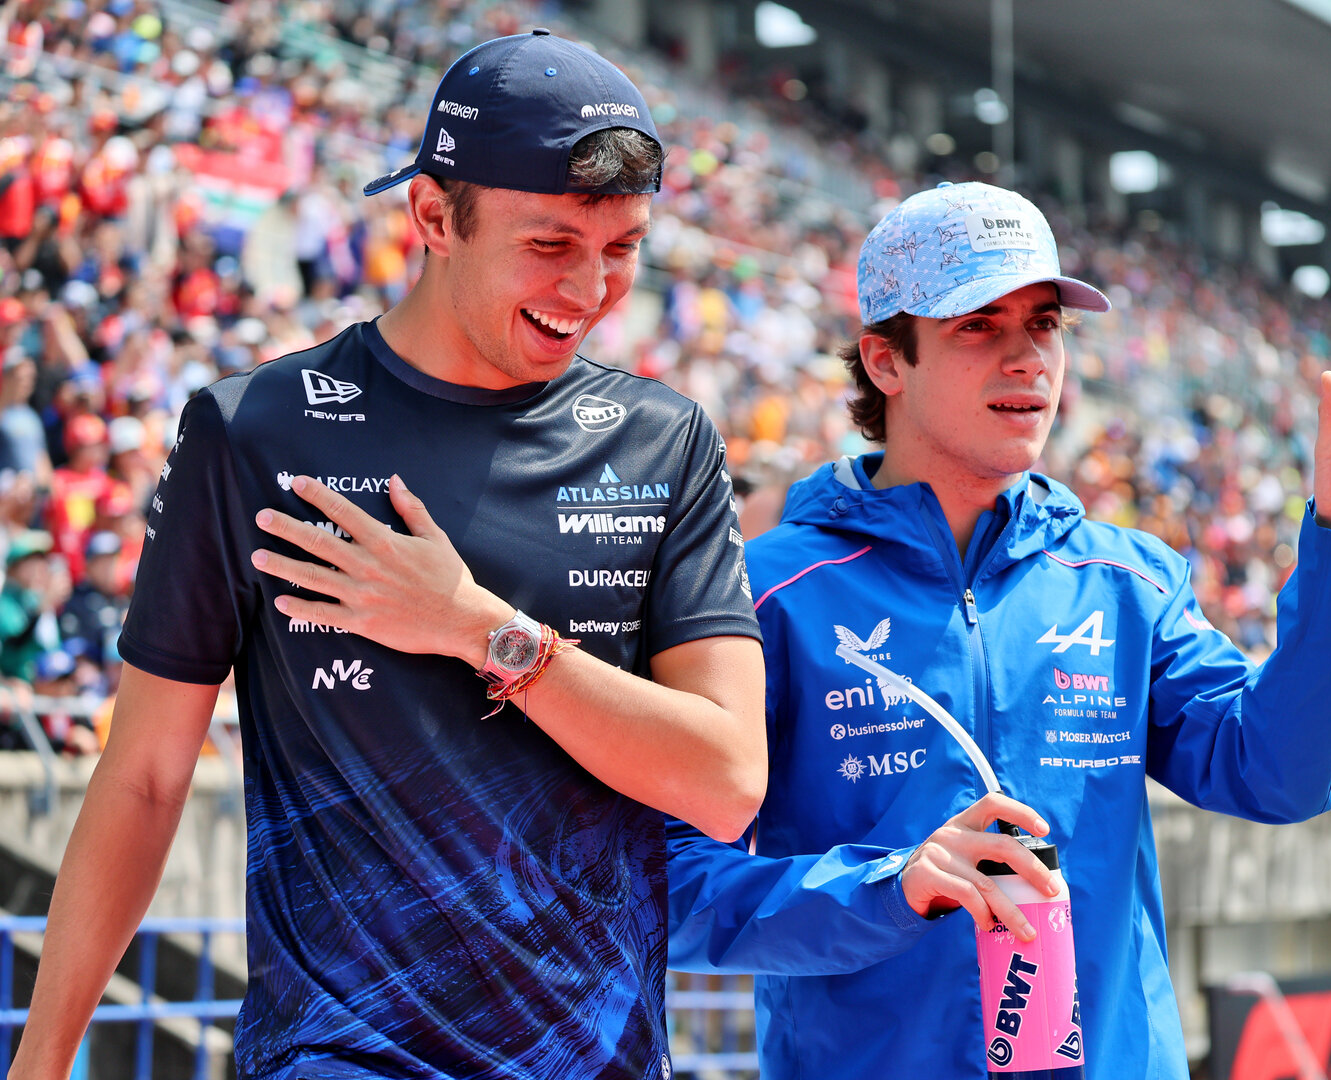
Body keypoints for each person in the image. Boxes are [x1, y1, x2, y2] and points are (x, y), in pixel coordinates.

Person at [11, 31, 766, 1080]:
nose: (592, 289)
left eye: (623, 247)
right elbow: (142, 777)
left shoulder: (663, 440)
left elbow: (728, 782)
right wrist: (41, 1061)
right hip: (338, 1055)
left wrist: (479, 632)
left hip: (592, 1057)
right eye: (549, 245)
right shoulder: (255, 431)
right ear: (430, 216)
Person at [663, 181, 1331, 1080]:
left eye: (1045, 323)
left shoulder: (1127, 580)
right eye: (979, 325)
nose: (1027, 359)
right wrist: (887, 888)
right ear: (886, 361)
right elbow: (674, 884)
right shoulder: (769, 591)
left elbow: (1280, 776)